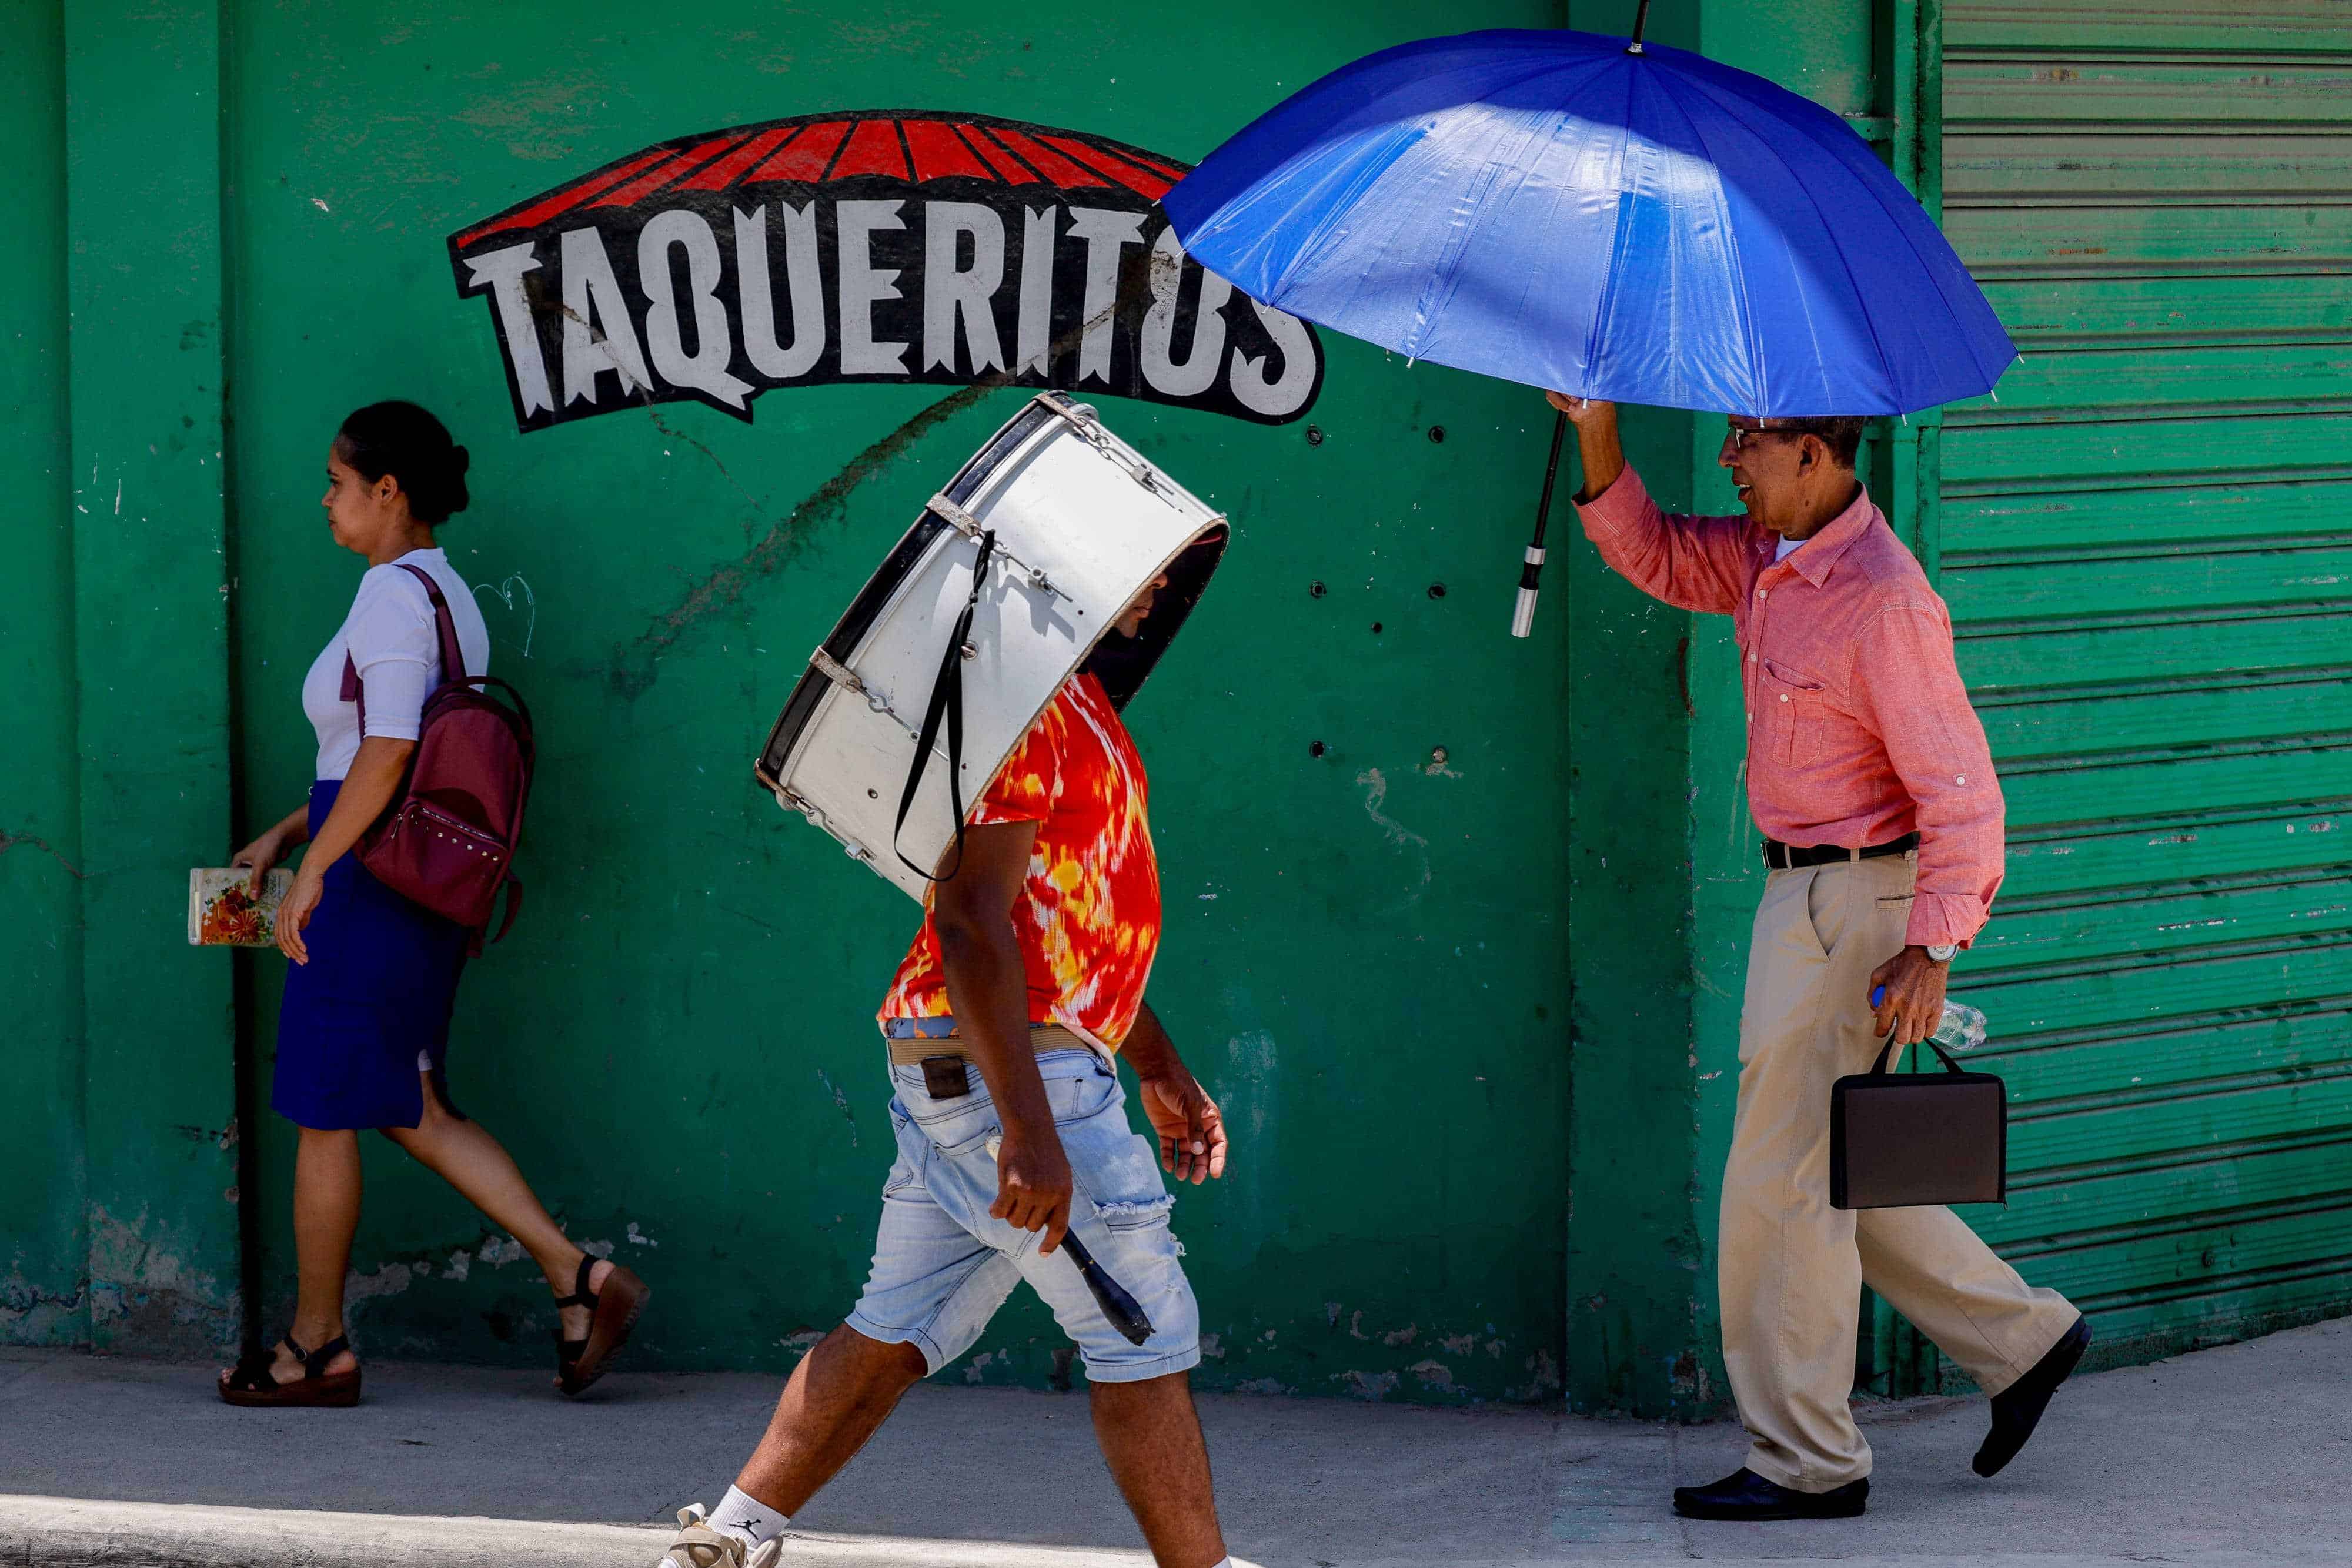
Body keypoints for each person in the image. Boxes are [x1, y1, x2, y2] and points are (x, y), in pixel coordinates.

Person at [1547, 393, 2090, 1521]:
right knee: (1832, 1167)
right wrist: (1595, 423)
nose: (1730, 459)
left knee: (1778, 1188)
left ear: (1812, 451)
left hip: (1857, 904)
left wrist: (1934, 947)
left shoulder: (1884, 601)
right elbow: (1653, 553)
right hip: (1801, 896)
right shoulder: (1766, 556)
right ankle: (2023, 1339)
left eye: (1747, 442)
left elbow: (1965, 799)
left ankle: (1807, 1461)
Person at [656, 557, 1244, 1568]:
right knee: (1143, 1329)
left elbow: (1070, 927)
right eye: (1131, 570)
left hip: (989, 1074)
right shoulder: (1022, 714)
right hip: (1011, 1085)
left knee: (893, 1330)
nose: (1150, 590)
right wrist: (1029, 1132)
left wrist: (1159, 1065)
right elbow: (972, 924)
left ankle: (729, 1539)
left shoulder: (1082, 703)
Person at [218, 400, 646, 1408]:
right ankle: (579, 1277)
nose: (324, 499)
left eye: (335, 480)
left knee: (324, 1111)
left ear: (387, 490)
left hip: (372, 879)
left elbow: (392, 749)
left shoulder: (389, 596)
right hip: (402, 871)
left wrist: (319, 865)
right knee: (409, 1102)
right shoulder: (447, 593)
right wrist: (292, 832)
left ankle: (316, 1350)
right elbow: (385, 747)